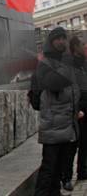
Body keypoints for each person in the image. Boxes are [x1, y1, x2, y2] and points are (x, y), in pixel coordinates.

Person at [34, 27, 80, 196]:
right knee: (49, 169)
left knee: (59, 168)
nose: (62, 41)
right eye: (57, 38)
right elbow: (54, 83)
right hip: (53, 125)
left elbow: (74, 89)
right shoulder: (46, 63)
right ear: (51, 42)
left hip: (68, 124)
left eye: (63, 38)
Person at [61, 36, 87, 187]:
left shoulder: (85, 63)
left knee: (85, 144)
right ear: (75, 47)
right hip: (76, 111)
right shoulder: (68, 65)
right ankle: (66, 177)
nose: (85, 47)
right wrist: (75, 109)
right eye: (83, 44)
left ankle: (83, 171)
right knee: (72, 146)